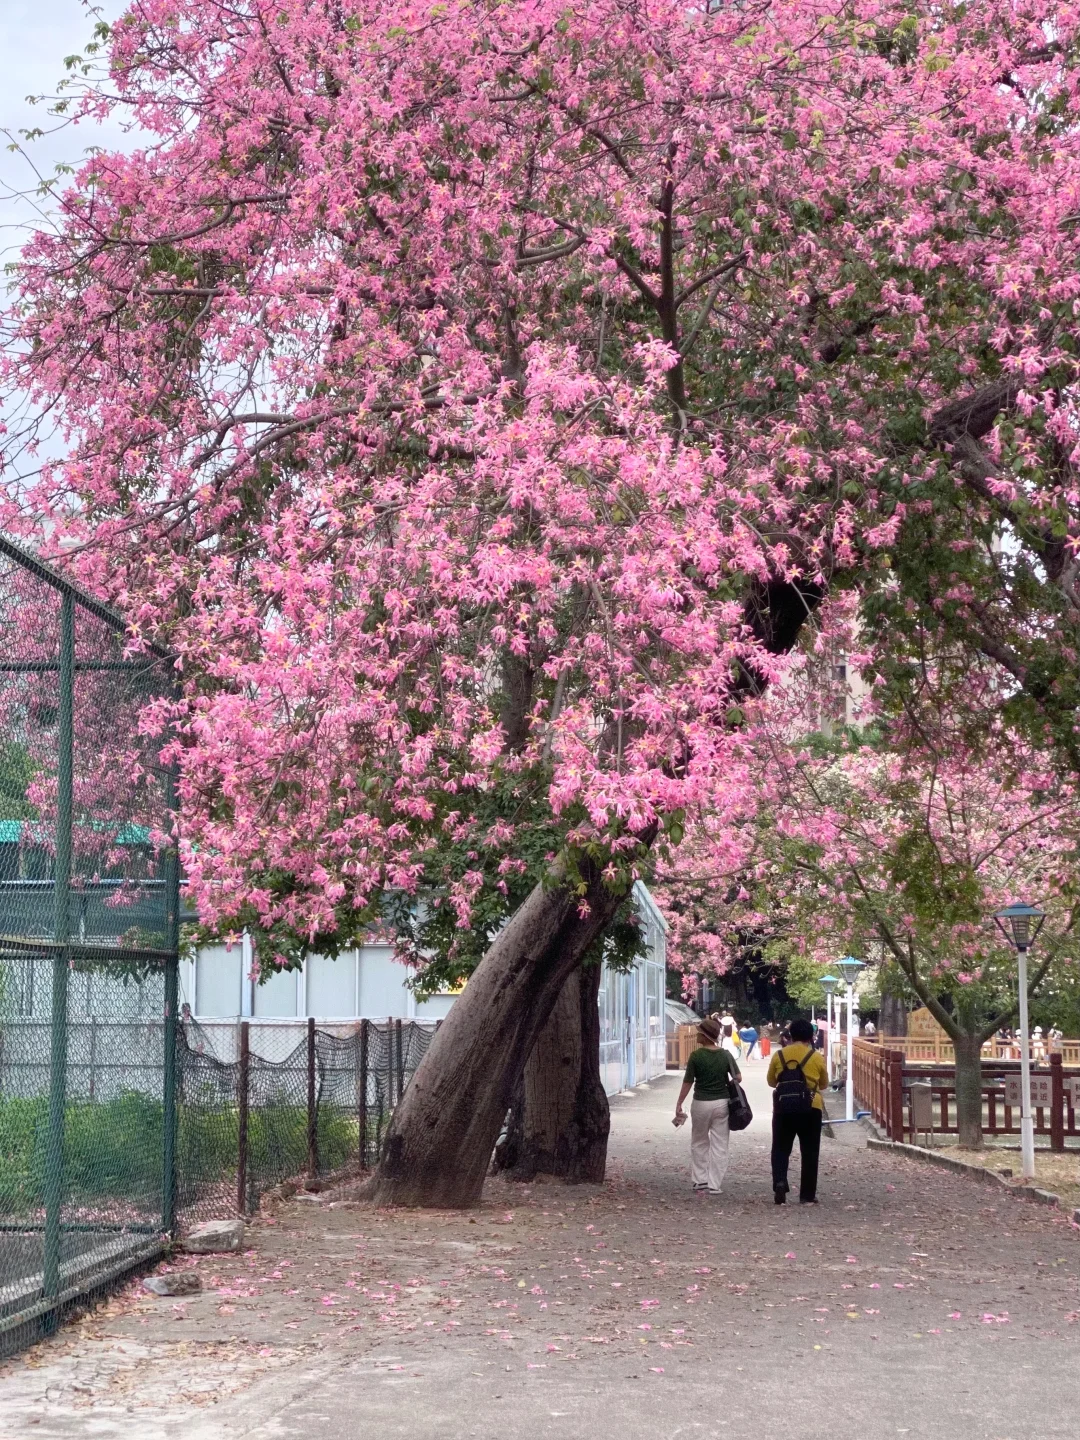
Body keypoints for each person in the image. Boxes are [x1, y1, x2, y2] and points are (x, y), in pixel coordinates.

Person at [674, 1016, 741, 1196]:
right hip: (721, 1103)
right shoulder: (725, 1055)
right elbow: (738, 1077)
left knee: (699, 1141)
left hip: (701, 1103)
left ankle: (700, 1180)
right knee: (720, 1144)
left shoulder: (696, 1056)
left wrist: (679, 1102)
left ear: (704, 1036)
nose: (697, 1035)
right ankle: (714, 1184)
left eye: (699, 1032)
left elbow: (688, 1082)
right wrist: (724, 1082)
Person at [767, 1017, 829, 1205]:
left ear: (791, 1035)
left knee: (780, 1148)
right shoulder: (816, 1056)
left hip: (784, 1107)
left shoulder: (779, 1055)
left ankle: (779, 1181)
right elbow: (824, 1084)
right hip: (811, 1106)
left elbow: (771, 1082)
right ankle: (807, 1195)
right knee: (810, 1151)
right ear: (811, 1037)